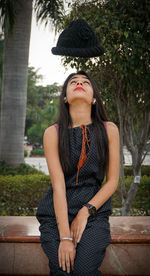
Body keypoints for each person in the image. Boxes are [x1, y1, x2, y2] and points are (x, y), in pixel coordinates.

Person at [36, 70, 120, 275]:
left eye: (85, 82)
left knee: (83, 270)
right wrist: (65, 237)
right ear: (65, 97)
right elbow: (58, 186)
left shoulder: (109, 129)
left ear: (93, 99)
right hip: (56, 213)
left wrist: (85, 212)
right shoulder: (53, 133)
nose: (79, 83)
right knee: (61, 270)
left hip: (94, 212)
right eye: (73, 81)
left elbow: (112, 182)